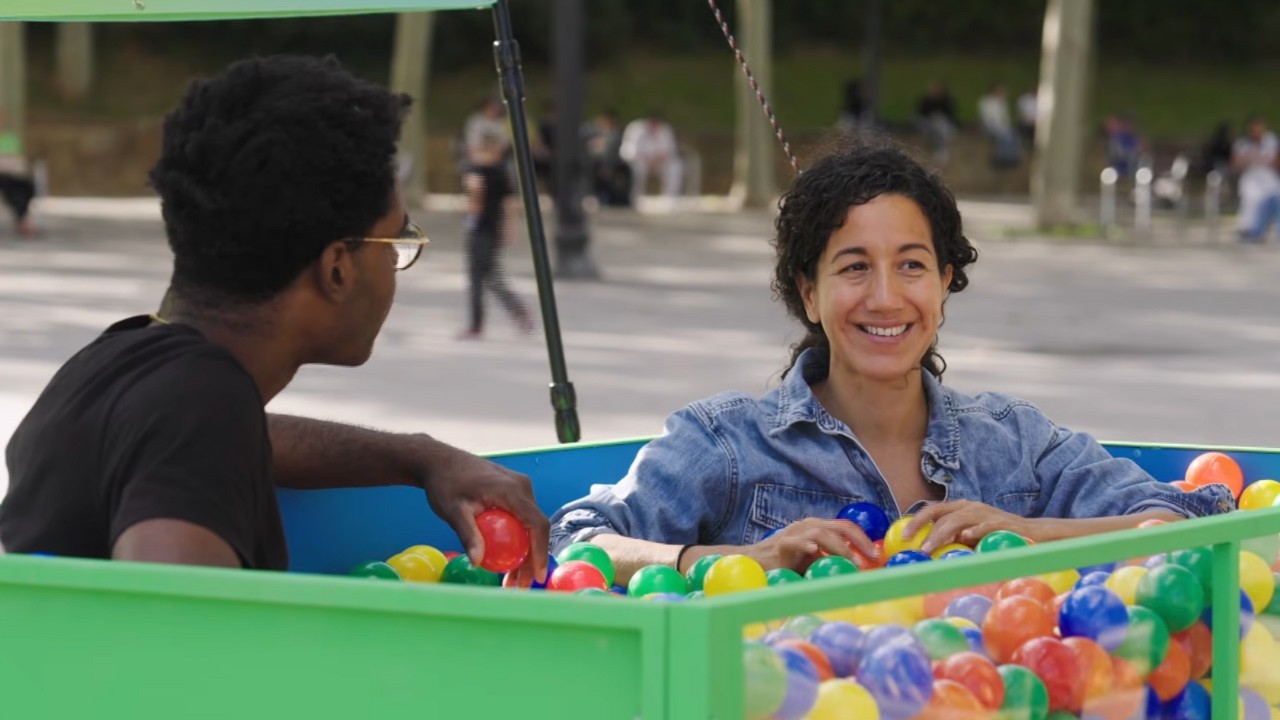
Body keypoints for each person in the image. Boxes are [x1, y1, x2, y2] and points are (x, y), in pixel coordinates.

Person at [549, 139, 1233, 585]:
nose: (885, 297)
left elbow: (1180, 523)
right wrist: (741, 561)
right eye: (854, 267)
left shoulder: (1013, 441)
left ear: (943, 284)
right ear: (809, 294)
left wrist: (1026, 533)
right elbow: (582, 543)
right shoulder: (726, 442)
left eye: (911, 265)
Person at [0, 55, 549, 586]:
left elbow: (241, 440)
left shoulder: (122, 363)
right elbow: (171, 639)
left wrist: (423, 457)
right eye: (396, 241)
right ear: (337, 268)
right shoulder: (200, 406)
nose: (398, 262)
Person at [458, 132, 533, 340]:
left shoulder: (500, 172)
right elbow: (472, 203)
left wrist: (511, 227)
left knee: (481, 277)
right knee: (488, 277)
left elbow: (511, 203)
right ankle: (518, 311)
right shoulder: (474, 169)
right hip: (476, 227)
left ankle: (477, 324)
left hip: (489, 228)